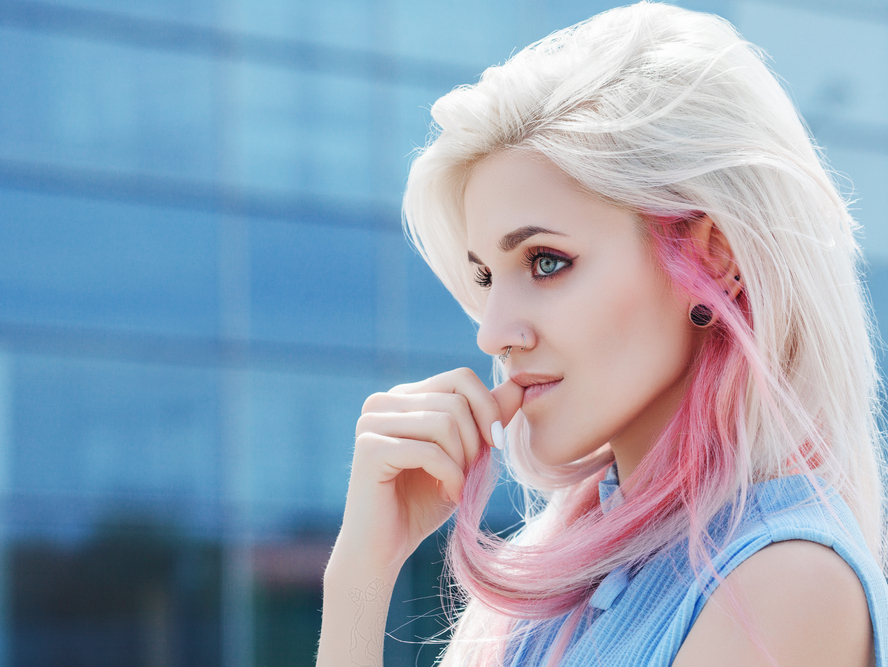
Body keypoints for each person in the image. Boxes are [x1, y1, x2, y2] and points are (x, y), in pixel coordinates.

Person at [317, 2, 888, 665]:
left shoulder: (786, 581)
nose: (494, 333)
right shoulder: (557, 579)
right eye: (485, 277)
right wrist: (359, 571)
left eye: (546, 261)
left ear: (716, 257)